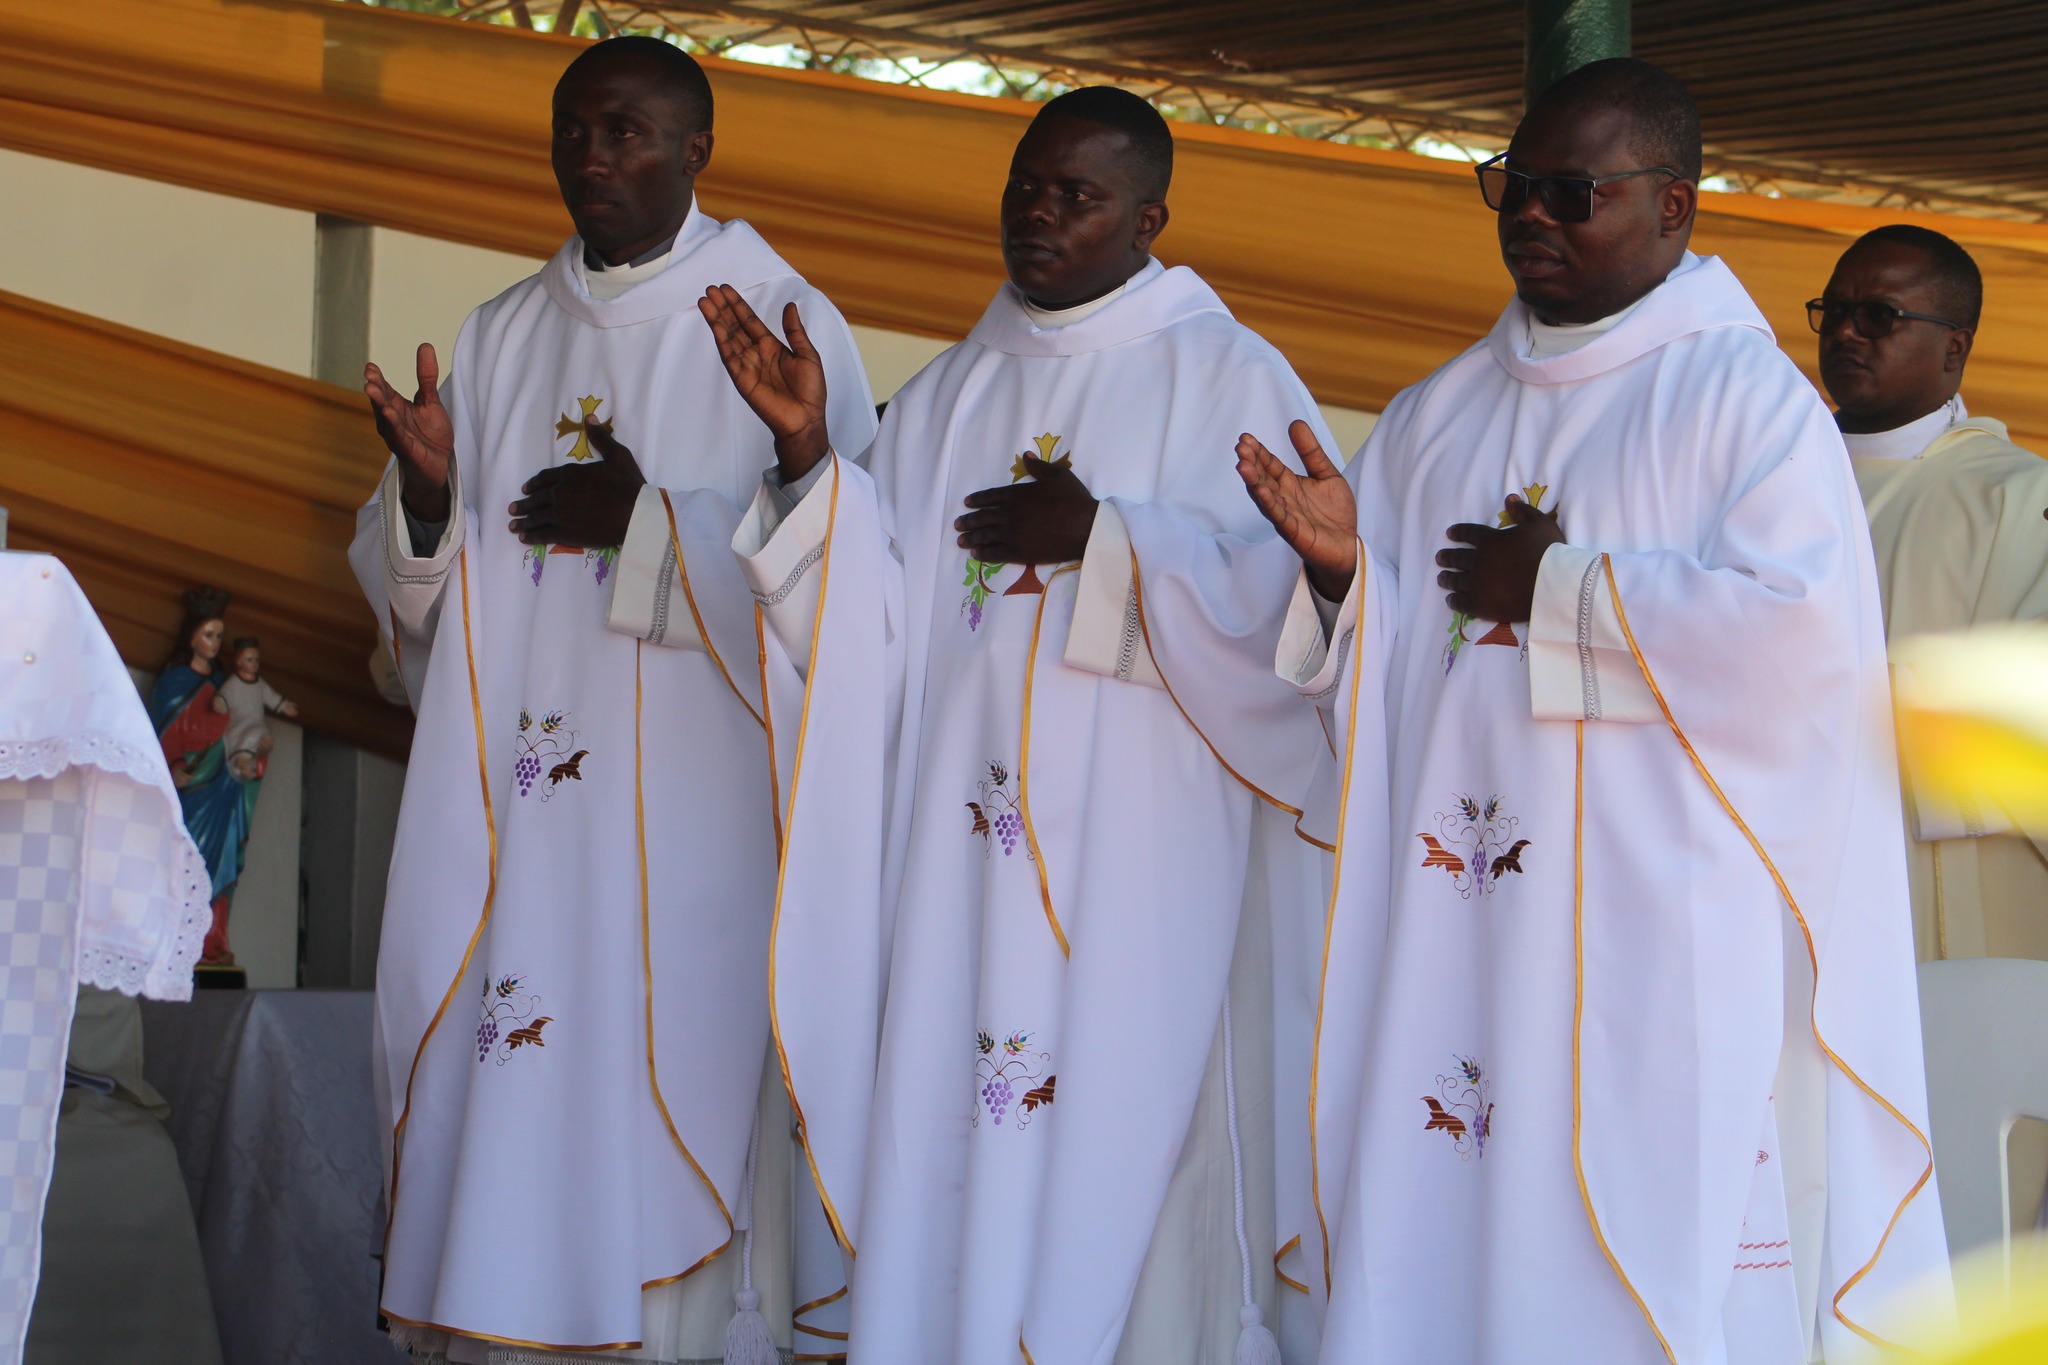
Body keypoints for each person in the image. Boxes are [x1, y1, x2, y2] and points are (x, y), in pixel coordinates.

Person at [1237, 59, 1948, 1364]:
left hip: (1651, 928)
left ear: (1674, 206)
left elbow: (1798, 650)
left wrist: (1563, 590)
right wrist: (1349, 583)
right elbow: (1390, 680)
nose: (1533, 220)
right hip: (1456, 932)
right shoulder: (1434, 416)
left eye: (1575, 194)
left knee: (1630, 1246)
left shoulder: (1751, 408)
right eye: (1514, 188)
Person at [698, 86, 1333, 1362]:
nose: (1037, 215)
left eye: (1076, 196)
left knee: (1128, 1157)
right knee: (955, 1141)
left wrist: (1108, 545)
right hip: (958, 883)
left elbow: (1285, 629)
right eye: (1024, 189)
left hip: (1139, 878)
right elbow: (863, 631)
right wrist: (812, 462)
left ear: (1149, 215)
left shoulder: (1229, 376)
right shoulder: (947, 394)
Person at [349, 36, 876, 1362]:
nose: (596, 157)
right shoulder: (502, 335)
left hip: (697, 847)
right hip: (521, 844)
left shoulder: (778, 320)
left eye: (630, 132)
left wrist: (650, 521)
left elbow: (856, 609)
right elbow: (422, 622)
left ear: (698, 148)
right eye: (576, 130)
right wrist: (422, 499)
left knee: (673, 1095)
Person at [1816, 224, 2048, 963]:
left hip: (1943, 903)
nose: (1848, 332)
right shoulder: (1762, 479)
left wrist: (1823, 700)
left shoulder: (2018, 496)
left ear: (1956, 345)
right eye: (1836, 311)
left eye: (1880, 315)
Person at [149, 586, 252, 965]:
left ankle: (212, 941)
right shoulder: (173, 682)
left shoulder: (227, 685)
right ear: (192, 635)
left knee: (220, 864)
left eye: (220, 636)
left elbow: (243, 728)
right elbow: (158, 735)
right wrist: (174, 765)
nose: (215, 642)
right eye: (209, 634)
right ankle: (178, 940)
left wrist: (255, 752)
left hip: (223, 786)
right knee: (185, 861)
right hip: (189, 788)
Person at [213, 636, 297, 781]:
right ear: (239, 661)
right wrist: (220, 703)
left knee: (262, 736)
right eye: (249, 660)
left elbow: (271, 697)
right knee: (249, 737)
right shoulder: (234, 683)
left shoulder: (260, 684)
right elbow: (225, 696)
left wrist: (284, 705)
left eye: (256, 660)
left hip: (257, 722)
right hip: (240, 723)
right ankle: (242, 762)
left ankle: (252, 760)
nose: (254, 664)